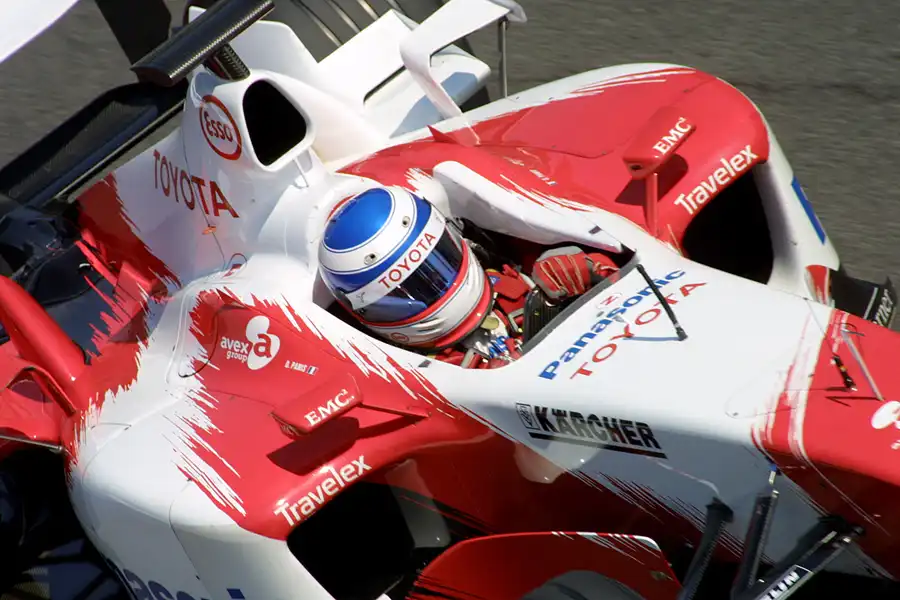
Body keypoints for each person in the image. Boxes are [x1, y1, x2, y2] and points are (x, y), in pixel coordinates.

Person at [317, 186, 619, 368]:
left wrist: (597, 268)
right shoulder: (419, 374)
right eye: (408, 293)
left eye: (438, 264)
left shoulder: (506, 272)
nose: (436, 286)